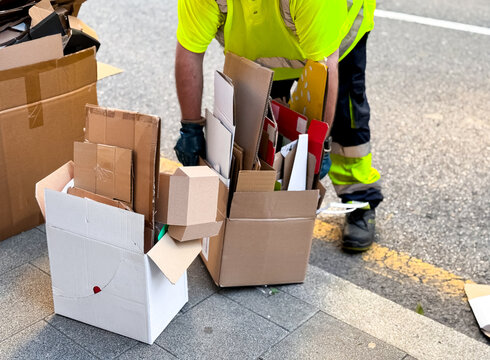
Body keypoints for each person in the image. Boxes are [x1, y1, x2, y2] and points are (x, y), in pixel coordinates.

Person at [174, 0, 382, 252]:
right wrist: (191, 126)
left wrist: (321, 145)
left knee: (346, 120)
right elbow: (190, 52)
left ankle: (359, 201)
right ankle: (268, 201)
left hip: (334, 35)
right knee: (263, 127)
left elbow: (326, 68)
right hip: (266, 44)